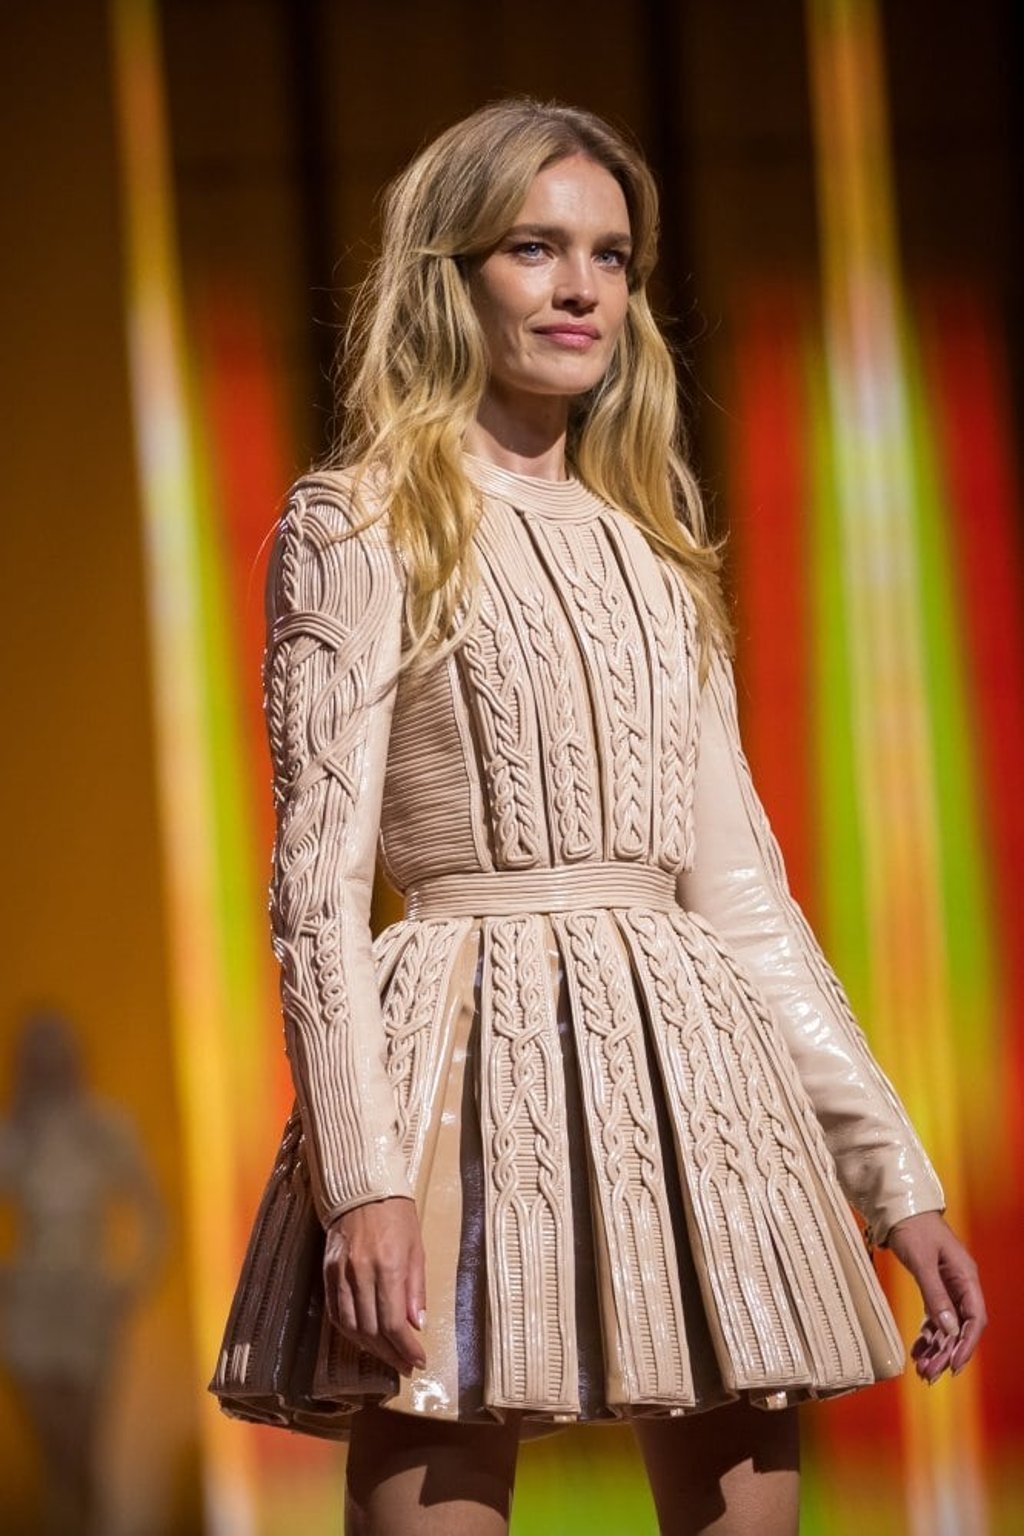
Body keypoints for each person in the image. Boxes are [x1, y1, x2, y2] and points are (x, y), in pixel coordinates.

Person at [208, 97, 986, 1535]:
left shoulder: (657, 549)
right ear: (453, 272)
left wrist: (896, 1182)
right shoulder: (358, 525)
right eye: (534, 247)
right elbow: (312, 893)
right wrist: (363, 1179)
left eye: (611, 257)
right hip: (451, 1062)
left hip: (694, 1078)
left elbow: (741, 893)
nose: (581, 289)